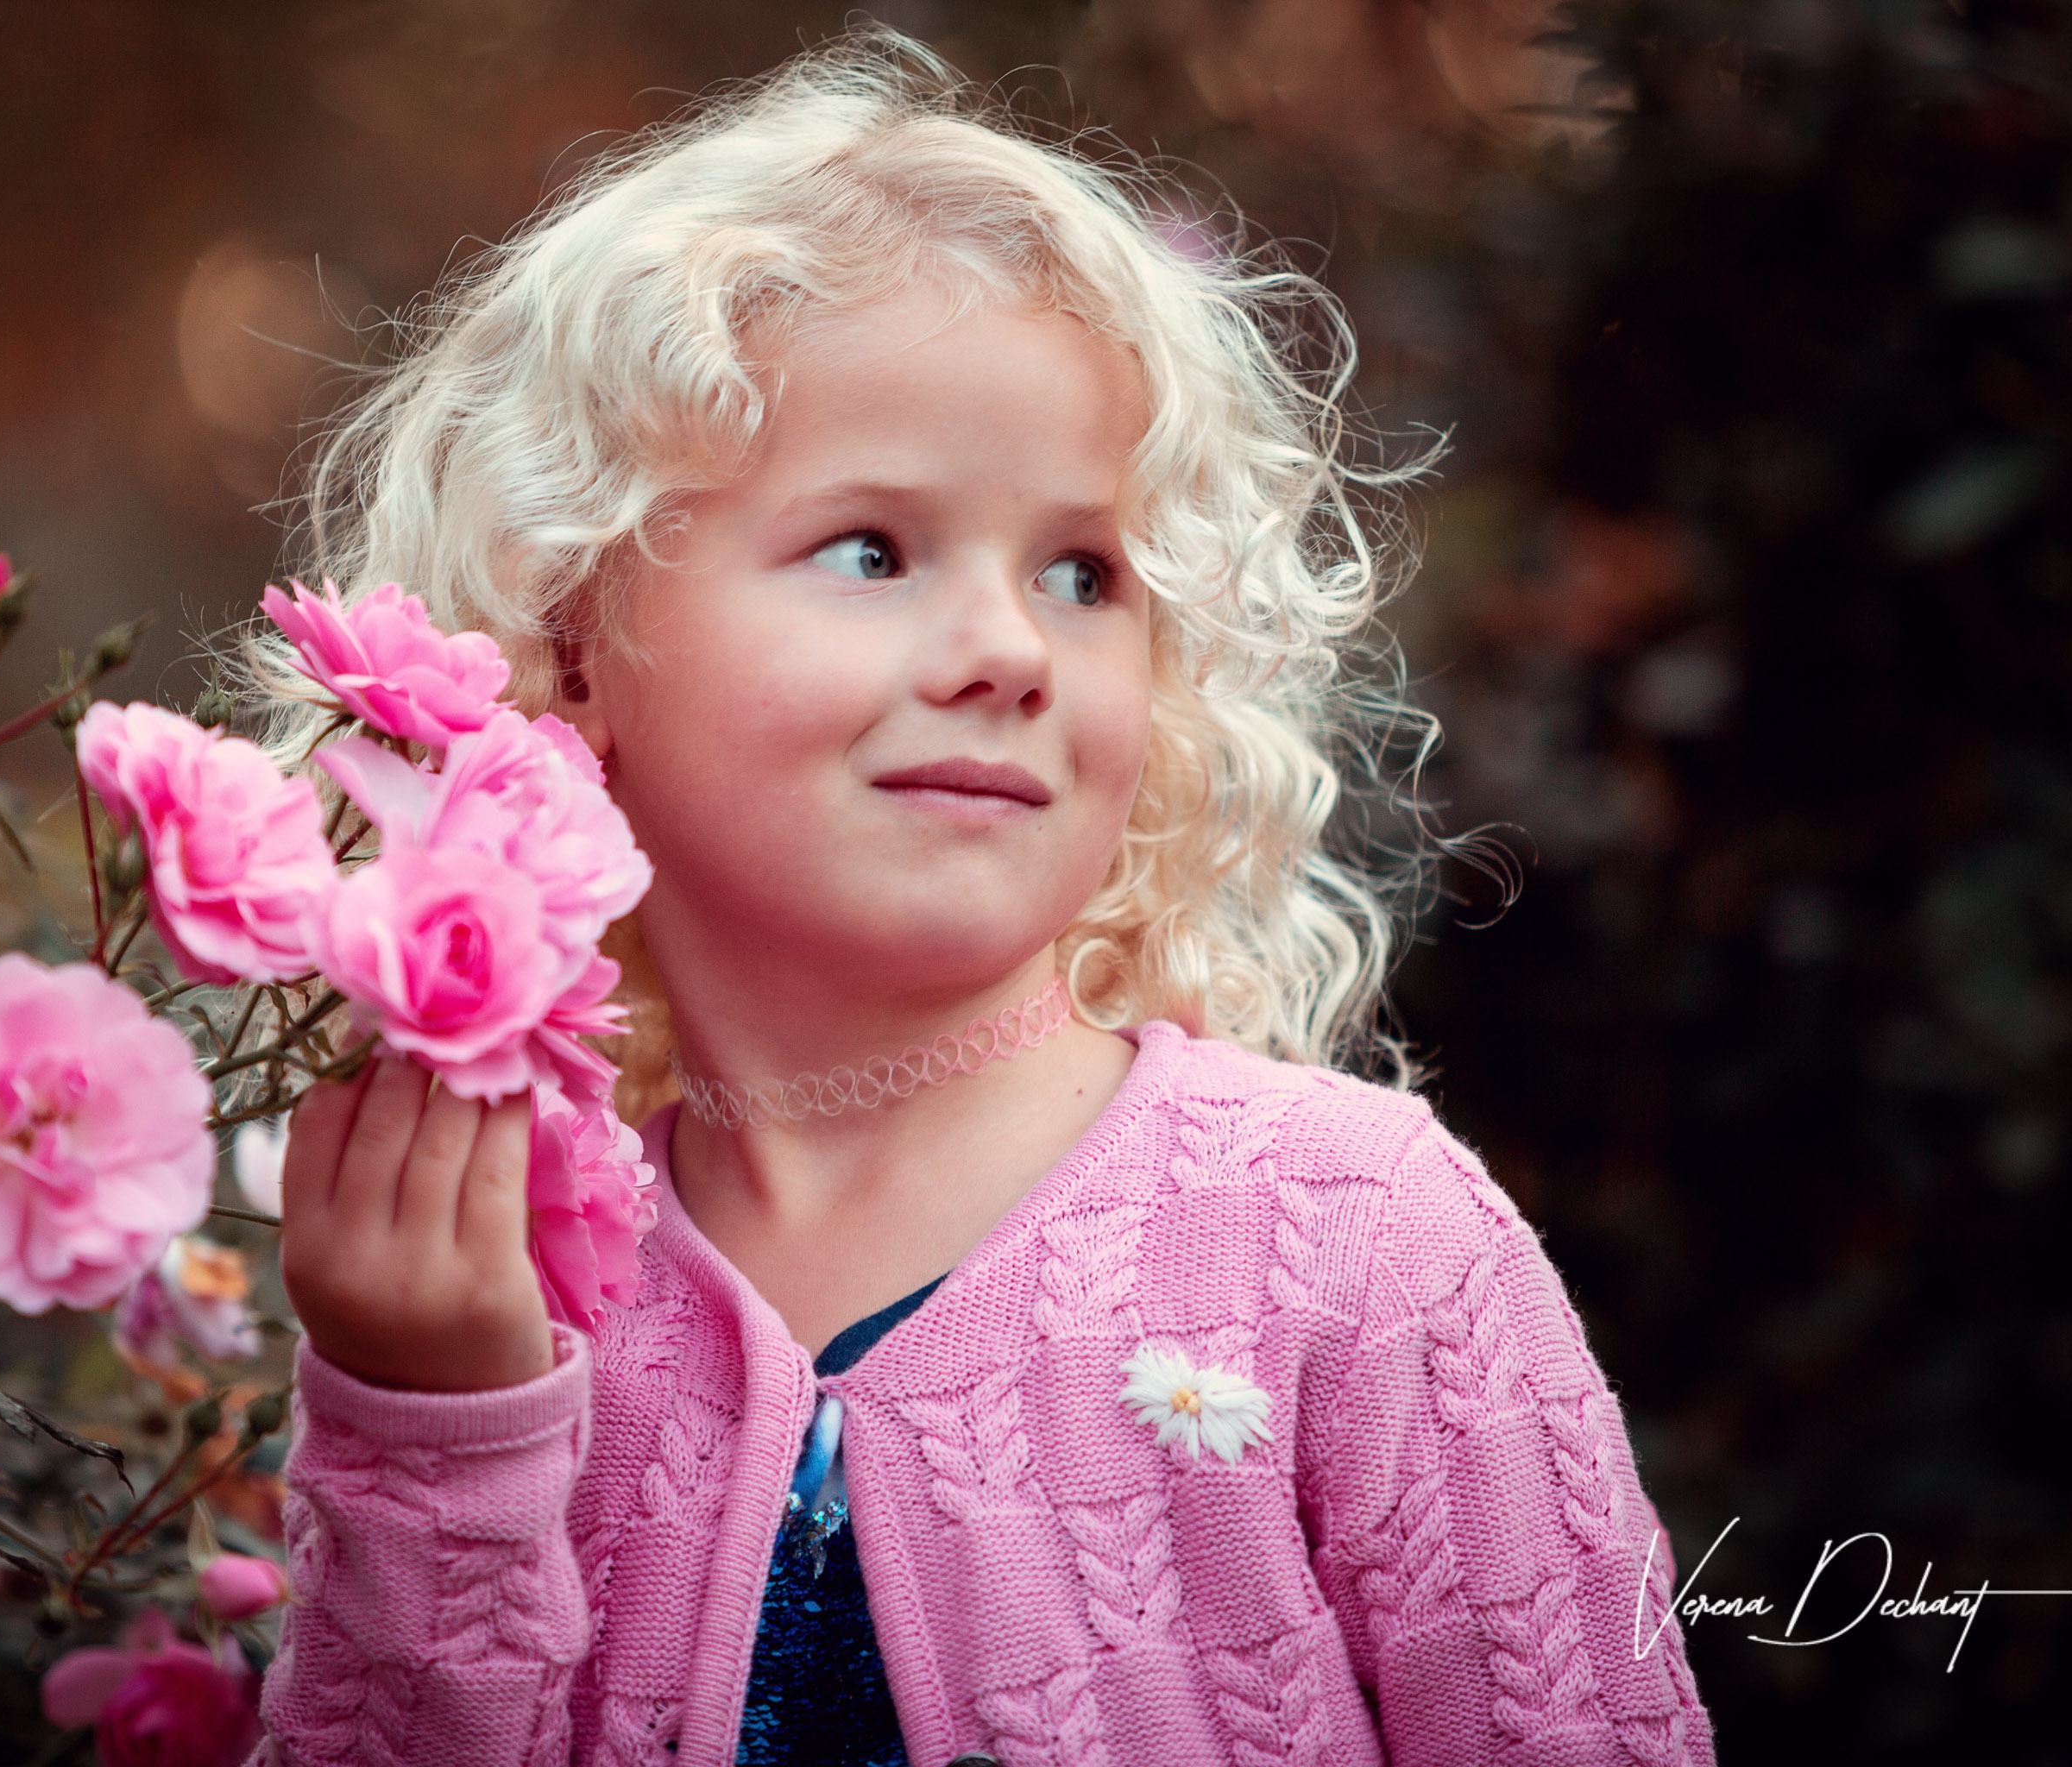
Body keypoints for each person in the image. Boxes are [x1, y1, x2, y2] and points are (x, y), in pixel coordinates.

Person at [248, 30, 1715, 1767]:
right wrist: (439, 1429)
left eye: (1084, 573)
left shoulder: (1356, 1235)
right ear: (575, 646)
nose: (1015, 651)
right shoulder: (506, 1291)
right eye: (872, 548)